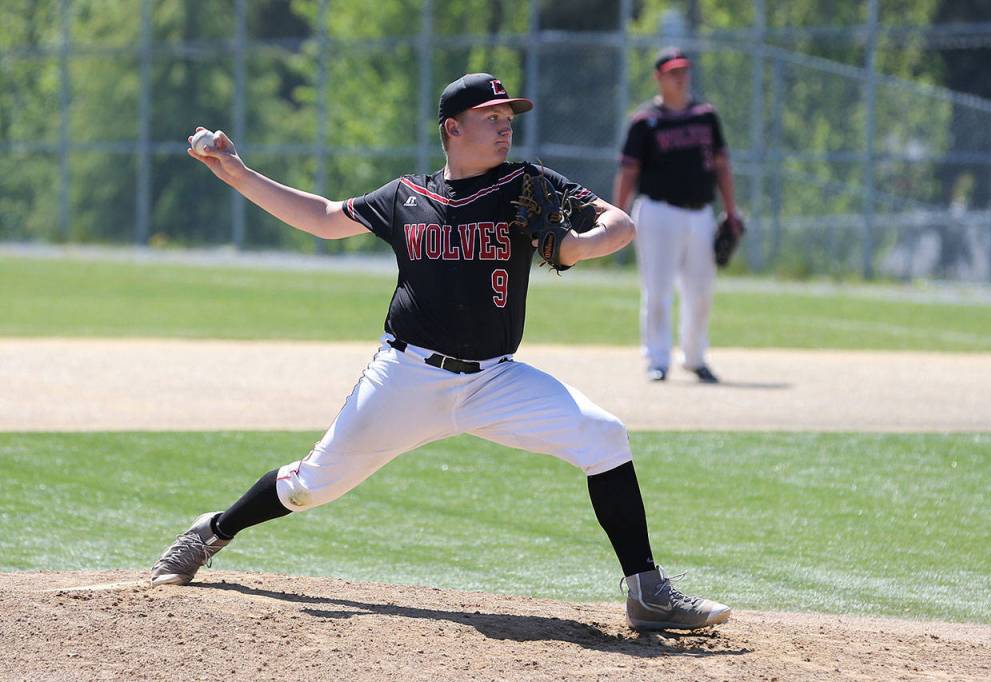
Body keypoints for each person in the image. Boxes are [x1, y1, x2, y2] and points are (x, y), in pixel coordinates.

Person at [150, 72, 731, 631]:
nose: (505, 127)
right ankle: (213, 530)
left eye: (509, 117)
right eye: (491, 117)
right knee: (311, 485)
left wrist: (575, 247)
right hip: (405, 376)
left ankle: (646, 591)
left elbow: (621, 223)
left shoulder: (525, 183)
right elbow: (325, 219)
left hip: (494, 381)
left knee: (604, 435)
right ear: (452, 128)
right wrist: (238, 173)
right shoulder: (408, 196)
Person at [613, 49, 741, 384]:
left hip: (700, 213)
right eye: (673, 72)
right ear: (659, 78)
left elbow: (722, 166)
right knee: (657, 291)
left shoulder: (705, 116)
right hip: (657, 212)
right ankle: (657, 359)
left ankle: (695, 357)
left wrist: (730, 211)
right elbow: (628, 171)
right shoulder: (644, 121)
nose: (680, 77)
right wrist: (616, 214)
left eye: (684, 71)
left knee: (701, 290)